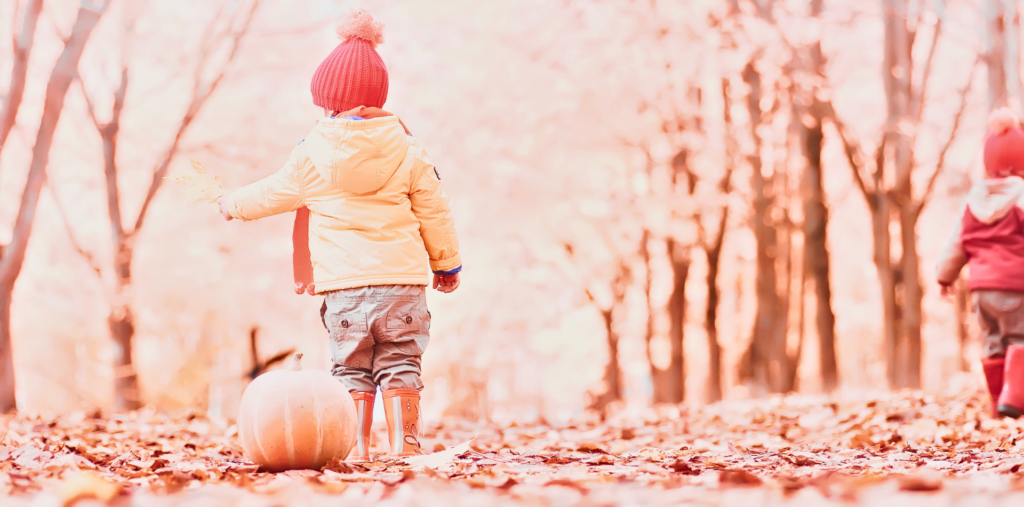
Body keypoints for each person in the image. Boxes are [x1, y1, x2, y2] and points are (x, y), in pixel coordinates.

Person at [218, 10, 462, 459]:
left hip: (345, 287)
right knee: (401, 363)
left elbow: (274, 192)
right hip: (401, 284)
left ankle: (354, 448)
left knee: (350, 368)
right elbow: (435, 209)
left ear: (329, 101)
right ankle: (405, 444)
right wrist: (445, 263)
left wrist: (231, 204)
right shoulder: (409, 148)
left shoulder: (311, 153)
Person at [937, 107, 1024, 418]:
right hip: (1016, 287)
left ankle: (997, 404)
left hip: (980, 292)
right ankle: (1014, 399)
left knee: (993, 342)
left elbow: (956, 243)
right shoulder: (1022, 197)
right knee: (1020, 338)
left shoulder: (975, 200)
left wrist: (944, 276)